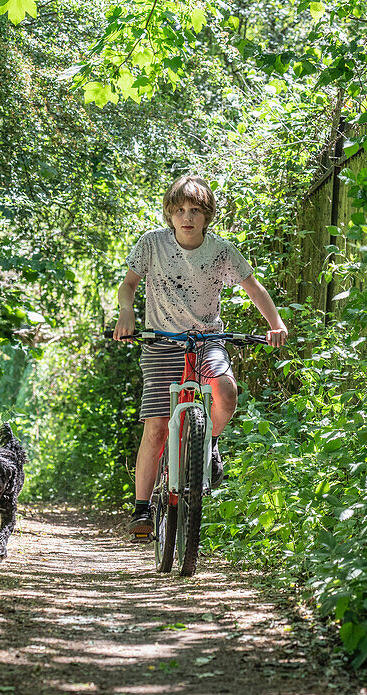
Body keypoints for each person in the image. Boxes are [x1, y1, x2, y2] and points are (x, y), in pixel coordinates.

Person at [113, 174, 288, 535]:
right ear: (169, 215)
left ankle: (208, 444)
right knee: (158, 427)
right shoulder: (151, 244)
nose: (186, 217)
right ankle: (142, 509)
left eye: (194, 210)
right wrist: (126, 312)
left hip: (207, 340)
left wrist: (276, 323)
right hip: (161, 344)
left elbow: (252, 286)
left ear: (207, 215)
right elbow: (128, 284)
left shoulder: (221, 251)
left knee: (226, 392)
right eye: (179, 210)